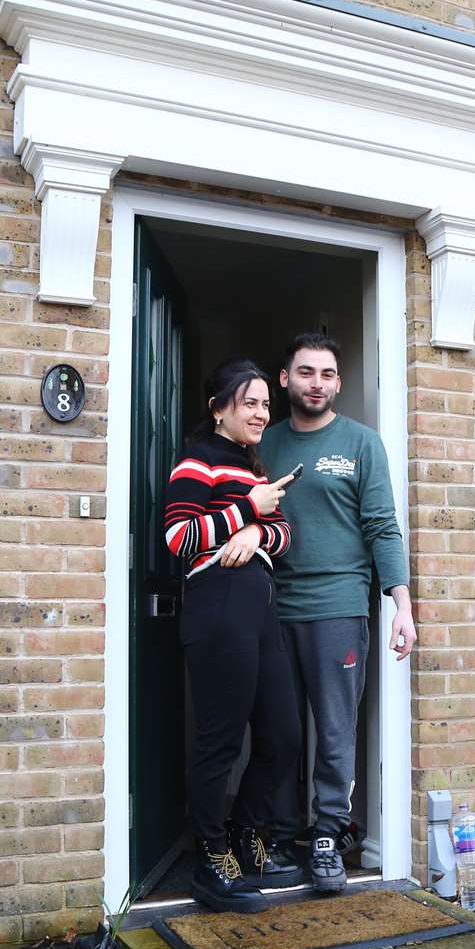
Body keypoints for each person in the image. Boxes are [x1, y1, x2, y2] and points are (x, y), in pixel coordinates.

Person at [260, 333, 415, 894]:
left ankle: (327, 834)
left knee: (333, 729)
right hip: (272, 607)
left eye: (326, 374)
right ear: (285, 379)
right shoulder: (265, 444)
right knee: (276, 731)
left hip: (339, 608)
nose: (316, 383)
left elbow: (382, 526)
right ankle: (276, 837)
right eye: (305, 372)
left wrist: (402, 606)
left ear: (338, 383)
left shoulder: (361, 443)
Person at [164, 358, 306, 913]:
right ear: (218, 407)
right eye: (250, 402)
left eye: (266, 404)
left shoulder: (254, 467)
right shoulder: (196, 463)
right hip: (217, 605)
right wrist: (248, 511)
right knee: (220, 742)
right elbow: (179, 537)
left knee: (284, 735)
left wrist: (257, 529)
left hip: (258, 607)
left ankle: (250, 835)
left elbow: (283, 534)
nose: (261, 412)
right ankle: (212, 855)